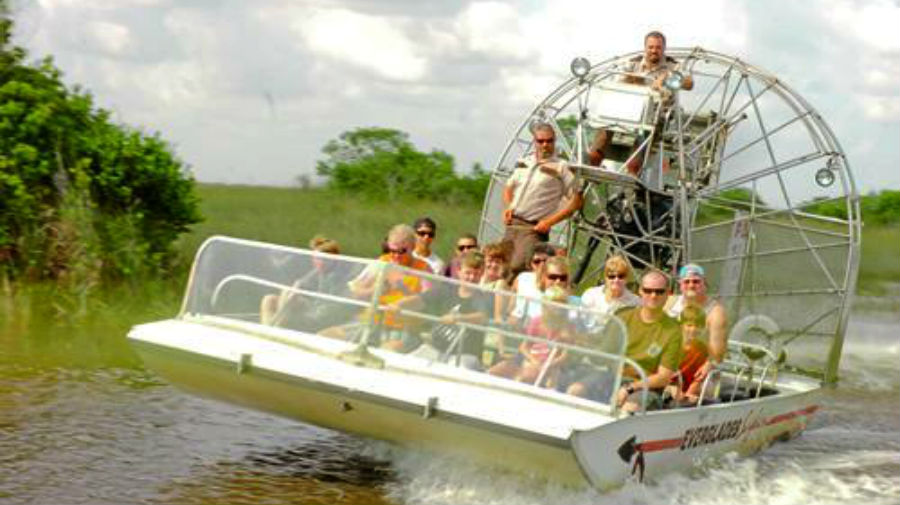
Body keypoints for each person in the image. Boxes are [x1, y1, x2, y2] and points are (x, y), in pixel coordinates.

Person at [588, 30, 694, 174]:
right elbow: (618, 83)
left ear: (663, 49)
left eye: (658, 47)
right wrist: (632, 81)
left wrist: (668, 77)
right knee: (603, 128)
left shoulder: (673, 66)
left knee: (643, 138)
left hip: (656, 116)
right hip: (627, 112)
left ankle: (634, 172)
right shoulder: (633, 63)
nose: (654, 51)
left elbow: (689, 83)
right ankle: (592, 167)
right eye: (650, 47)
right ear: (645, 48)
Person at [323, 224, 431, 351]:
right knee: (326, 335)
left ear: (413, 247)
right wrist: (375, 289)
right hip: (370, 321)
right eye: (392, 251)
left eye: (402, 251)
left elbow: (428, 299)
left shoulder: (423, 269)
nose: (396, 256)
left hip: (401, 327)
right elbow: (355, 290)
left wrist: (402, 303)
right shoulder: (382, 263)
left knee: (387, 352)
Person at [502, 122, 583, 275]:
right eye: (541, 141)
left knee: (519, 268)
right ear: (535, 142)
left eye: (549, 141)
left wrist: (549, 222)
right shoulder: (524, 162)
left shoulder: (562, 167)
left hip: (533, 230)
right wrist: (508, 207)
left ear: (554, 141)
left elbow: (577, 201)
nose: (545, 145)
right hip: (513, 225)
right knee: (503, 267)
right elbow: (508, 187)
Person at [389, 250, 491, 370]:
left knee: (460, 370)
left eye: (476, 274)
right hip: (436, 347)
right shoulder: (447, 289)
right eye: (468, 273)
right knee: (412, 363)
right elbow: (421, 299)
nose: (471, 278)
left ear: (482, 275)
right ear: (459, 272)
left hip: (465, 354)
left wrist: (457, 318)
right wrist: (398, 304)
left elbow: (482, 317)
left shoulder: (482, 297)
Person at [564, 255, 641, 400]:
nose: (616, 280)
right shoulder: (591, 295)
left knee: (577, 389)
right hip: (586, 349)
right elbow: (580, 326)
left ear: (627, 278)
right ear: (605, 277)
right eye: (611, 276)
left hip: (612, 358)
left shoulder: (635, 303)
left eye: (621, 276)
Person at [489, 254, 572, 379]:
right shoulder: (530, 297)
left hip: (553, 362)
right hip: (526, 353)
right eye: (553, 277)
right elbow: (514, 324)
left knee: (523, 377)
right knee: (493, 373)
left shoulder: (575, 305)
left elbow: (574, 342)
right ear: (543, 277)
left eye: (562, 278)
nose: (557, 281)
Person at [614, 269, 684, 413]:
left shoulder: (673, 330)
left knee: (629, 408)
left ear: (668, 294)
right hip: (613, 378)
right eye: (648, 290)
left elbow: (663, 377)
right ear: (640, 291)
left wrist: (629, 388)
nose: (653, 296)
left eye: (659, 292)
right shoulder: (622, 317)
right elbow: (602, 354)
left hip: (646, 388)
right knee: (575, 389)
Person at [259, 236, 350, 330]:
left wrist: (292, 299)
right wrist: (296, 288)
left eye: (324, 259)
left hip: (320, 316)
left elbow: (330, 307)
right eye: (316, 259)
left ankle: (276, 327)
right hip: (313, 307)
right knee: (269, 299)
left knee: (289, 296)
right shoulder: (320, 270)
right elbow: (301, 282)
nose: (319, 262)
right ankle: (268, 328)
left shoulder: (337, 276)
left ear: (333, 260)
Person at [665, 263, 728, 373]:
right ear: (680, 285)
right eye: (686, 281)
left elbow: (716, 356)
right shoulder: (670, 302)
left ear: (704, 284)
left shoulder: (715, 312)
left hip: (697, 368)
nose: (691, 285)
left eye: (696, 281)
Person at [514, 285, 574, 388]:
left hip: (554, 364)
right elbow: (524, 346)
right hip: (535, 360)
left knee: (552, 379)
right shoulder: (537, 321)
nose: (557, 307)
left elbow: (566, 355)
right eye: (553, 304)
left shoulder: (567, 326)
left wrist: (550, 364)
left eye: (561, 304)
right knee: (524, 377)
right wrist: (534, 361)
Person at [665, 304, 710, 406]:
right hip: (666, 388)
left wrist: (689, 394)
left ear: (703, 328)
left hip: (687, 392)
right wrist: (672, 388)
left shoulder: (702, 349)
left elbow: (699, 377)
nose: (693, 329)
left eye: (698, 326)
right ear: (681, 326)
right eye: (689, 325)